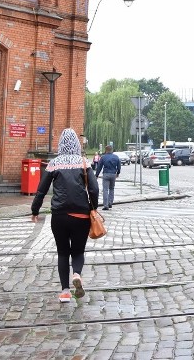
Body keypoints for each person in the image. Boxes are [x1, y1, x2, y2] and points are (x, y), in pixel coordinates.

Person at [31, 128, 98, 303]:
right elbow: (94, 189)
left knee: (62, 253)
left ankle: (65, 292)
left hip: (59, 216)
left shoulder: (54, 163)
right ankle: (77, 274)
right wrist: (93, 208)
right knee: (78, 251)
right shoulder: (84, 162)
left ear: (60, 144)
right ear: (76, 144)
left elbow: (41, 190)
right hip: (81, 215)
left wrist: (35, 210)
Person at [95, 144, 121, 210]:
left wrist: (96, 175)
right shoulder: (116, 157)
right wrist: (118, 173)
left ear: (106, 150)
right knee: (112, 189)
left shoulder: (103, 157)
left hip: (106, 174)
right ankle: (110, 203)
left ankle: (105, 205)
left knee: (105, 189)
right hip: (113, 174)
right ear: (111, 150)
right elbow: (119, 166)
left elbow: (99, 167)